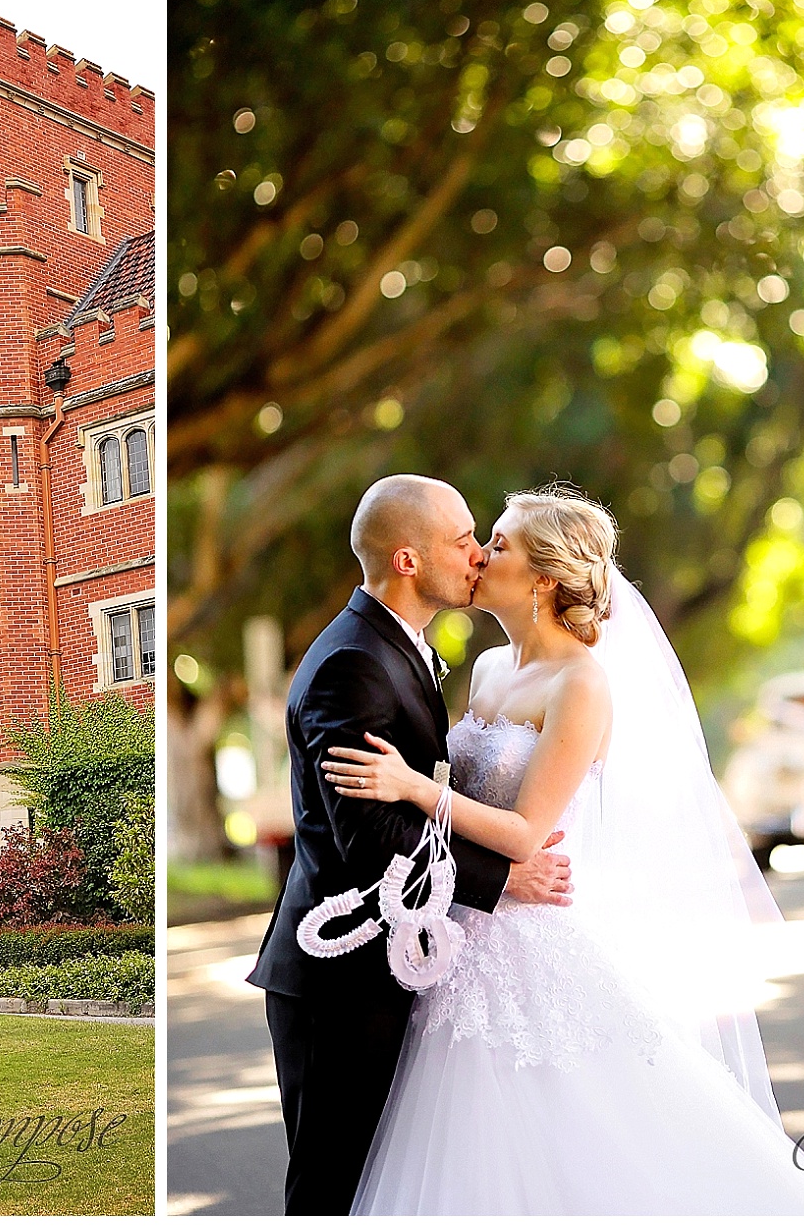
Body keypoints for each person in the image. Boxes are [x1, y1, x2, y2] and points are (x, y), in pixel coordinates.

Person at [322, 483, 804, 1214]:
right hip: (461, 936)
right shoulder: (485, 670)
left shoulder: (583, 685)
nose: (482, 553)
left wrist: (416, 789)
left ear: (545, 576)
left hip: (528, 935)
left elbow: (521, 832)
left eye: (501, 544)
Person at [245, 474, 575, 1215]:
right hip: (340, 976)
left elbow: (418, 800)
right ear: (406, 559)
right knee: (333, 1187)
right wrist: (507, 878)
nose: (477, 555)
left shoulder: (405, 647)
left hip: (396, 963)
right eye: (463, 541)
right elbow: (370, 842)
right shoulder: (352, 663)